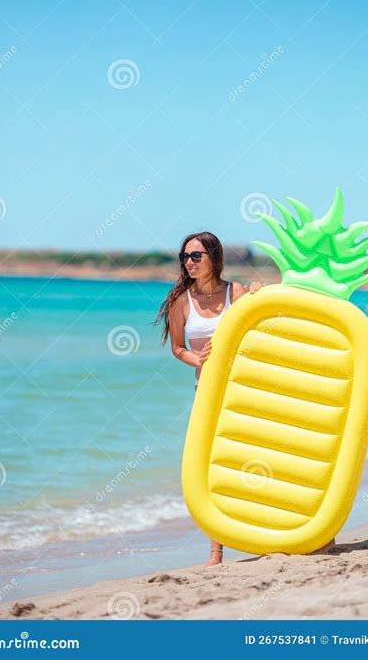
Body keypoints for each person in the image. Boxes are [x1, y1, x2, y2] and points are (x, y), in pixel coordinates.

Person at [154, 231, 264, 565]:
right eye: (185, 257)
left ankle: (263, 533)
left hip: (244, 389)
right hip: (208, 391)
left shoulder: (237, 292)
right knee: (212, 468)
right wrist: (197, 360)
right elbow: (177, 348)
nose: (189, 262)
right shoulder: (181, 301)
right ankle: (216, 550)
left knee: (250, 462)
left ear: (213, 258)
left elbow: (259, 329)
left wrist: (259, 297)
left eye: (196, 256)